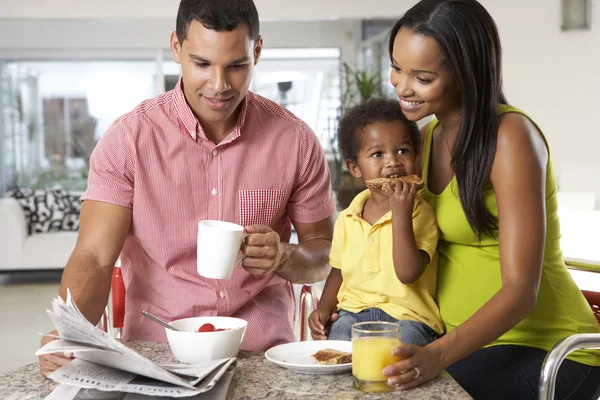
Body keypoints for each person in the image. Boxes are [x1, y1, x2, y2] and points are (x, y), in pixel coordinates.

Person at [38, 0, 336, 377]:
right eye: (202, 64)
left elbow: (326, 254)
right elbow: (95, 258)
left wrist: (284, 257)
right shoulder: (128, 141)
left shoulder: (295, 140)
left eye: (236, 66)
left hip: (263, 353)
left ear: (257, 51)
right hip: (156, 354)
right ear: (176, 48)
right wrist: (70, 332)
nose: (219, 85)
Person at [380, 1, 600, 399]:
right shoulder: (427, 138)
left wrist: (437, 355)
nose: (401, 86)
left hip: (545, 349)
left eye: (422, 77)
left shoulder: (510, 137)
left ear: (465, 73)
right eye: (397, 67)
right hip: (465, 347)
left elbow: (521, 290)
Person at [308, 98, 442, 347]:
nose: (392, 161)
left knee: (402, 355)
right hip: (353, 315)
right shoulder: (348, 218)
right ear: (355, 168)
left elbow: (408, 273)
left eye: (403, 150)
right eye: (377, 154)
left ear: (416, 155)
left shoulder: (420, 213)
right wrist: (323, 309)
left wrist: (401, 213)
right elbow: (339, 271)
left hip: (408, 319)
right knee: (334, 344)